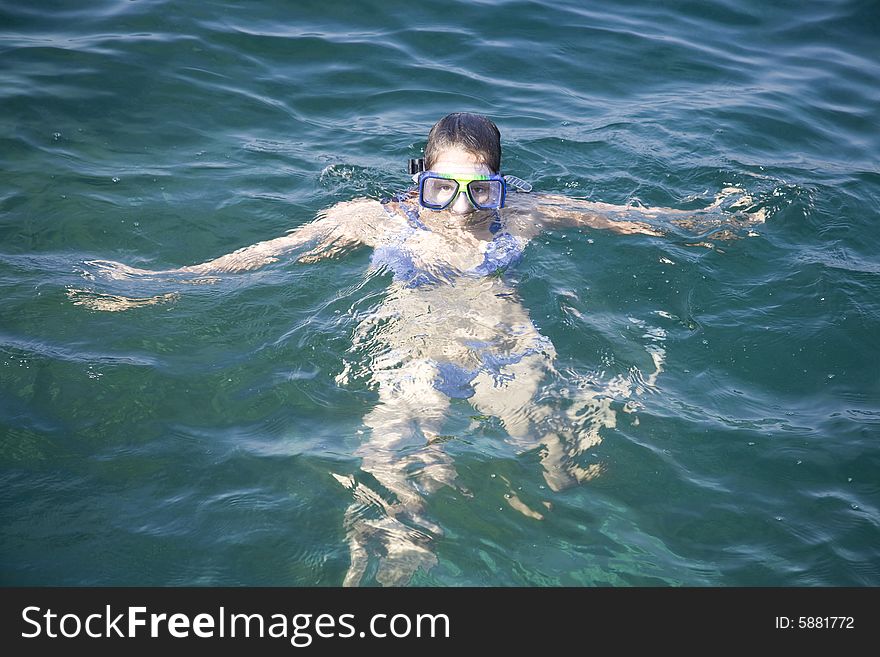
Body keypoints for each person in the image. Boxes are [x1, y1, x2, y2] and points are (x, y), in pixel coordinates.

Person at [84, 113, 761, 586]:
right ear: (419, 178)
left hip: (509, 347)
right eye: (444, 189)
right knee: (396, 479)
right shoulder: (372, 218)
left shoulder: (525, 212)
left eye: (480, 190)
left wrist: (706, 224)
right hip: (414, 354)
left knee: (554, 463)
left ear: (501, 183)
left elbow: (625, 218)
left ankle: (559, 524)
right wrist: (162, 285)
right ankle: (373, 579)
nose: (463, 209)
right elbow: (266, 255)